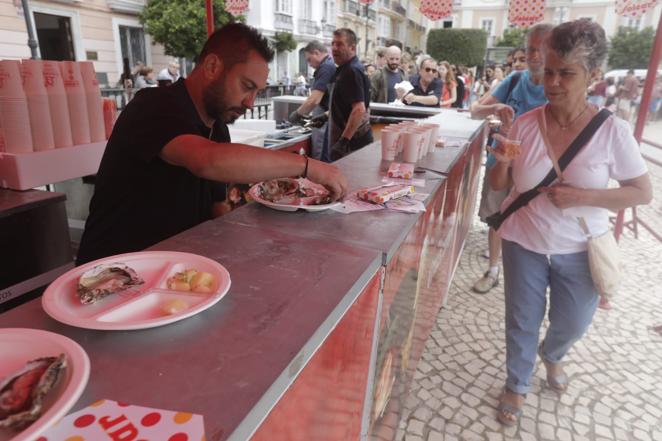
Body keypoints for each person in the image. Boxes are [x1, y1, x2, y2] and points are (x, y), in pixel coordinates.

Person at [488, 19, 652, 427]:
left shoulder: (611, 131)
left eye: (566, 73)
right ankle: (517, 382)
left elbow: (641, 192)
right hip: (523, 240)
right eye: (548, 71)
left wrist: (584, 197)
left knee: (573, 321)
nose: (553, 82)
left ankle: (554, 354)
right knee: (521, 320)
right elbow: (499, 184)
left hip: (581, 248)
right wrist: (503, 159)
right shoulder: (525, 124)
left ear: (593, 76)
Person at [76, 23, 347, 264]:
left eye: (257, 92)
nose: (250, 103)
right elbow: (207, 161)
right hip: (113, 272)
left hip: (177, 270)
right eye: (246, 86)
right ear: (212, 66)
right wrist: (307, 166)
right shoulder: (154, 106)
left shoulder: (216, 129)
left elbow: (217, 209)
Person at [469, 23, 552, 294]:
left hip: (537, 170)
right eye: (530, 48)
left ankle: (526, 281)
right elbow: (474, 110)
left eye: (541, 49)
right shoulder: (515, 80)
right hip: (501, 163)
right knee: (497, 218)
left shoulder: (558, 86)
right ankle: (493, 270)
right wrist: (495, 107)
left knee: (532, 225)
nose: (534, 55)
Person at [325, 28, 373, 161]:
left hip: (353, 144)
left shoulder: (351, 71)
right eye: (333, 44)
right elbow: (348, 105)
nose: (334, 48)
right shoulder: (348, 68)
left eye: (339, 44)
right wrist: (326, 116)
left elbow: (359, 109)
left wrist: (343, 142)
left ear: (352, 47)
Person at [288, 40, 336, 162]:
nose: (309, 64)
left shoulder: (325, 68)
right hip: (328, 117)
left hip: (326, 122)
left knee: (321, 161)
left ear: (316, 53)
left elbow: (314, 100)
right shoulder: (331, 64)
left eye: (309, 59)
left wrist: (297, 114)